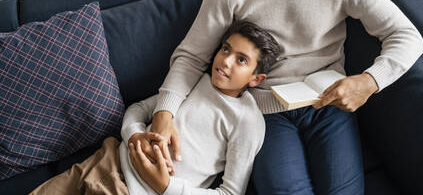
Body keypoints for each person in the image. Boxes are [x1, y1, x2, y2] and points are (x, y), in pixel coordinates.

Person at [149, 0, 423, 195]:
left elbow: (407, 35)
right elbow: (191, 56)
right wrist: (164, 112)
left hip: (328, 100)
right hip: (266, 110)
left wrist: (370, 81)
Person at [30, 21, 280, 195]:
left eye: (241, 60)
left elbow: (231, 192)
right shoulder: (191, 80)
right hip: (104, 162)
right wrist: (135, 135)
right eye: (226, 48)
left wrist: (165, 186)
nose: (225, 60)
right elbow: (139, 109)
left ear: (256, 79)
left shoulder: (247, 121)